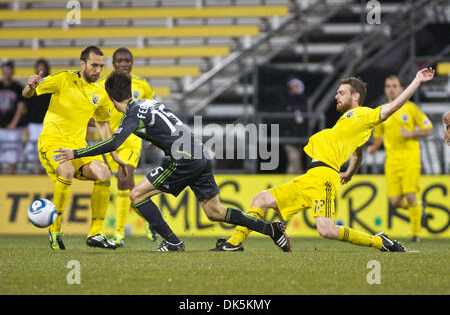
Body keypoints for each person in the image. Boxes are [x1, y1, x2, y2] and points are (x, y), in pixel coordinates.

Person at [55, 71, 291, 252]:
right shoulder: (149, 103)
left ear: (110, 96)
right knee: (215, 212)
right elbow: (168, 126)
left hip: (182, 159)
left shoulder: (132, 116)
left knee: (136, 196)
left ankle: (172, 242)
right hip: (199, 153)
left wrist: (76, 153)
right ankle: (271, 229)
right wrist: (158, 140)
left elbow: (114, 143)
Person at [211, 68, 435, 252]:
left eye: (341, 92)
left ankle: (380, 242)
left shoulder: (363, 114)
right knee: (261, 199)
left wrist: (416, 81)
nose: (336, 96)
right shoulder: (349, 125)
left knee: (326, 230)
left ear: (355, 96)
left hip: (324, 177)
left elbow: (391, 108)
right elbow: (358, 154)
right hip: (312, 175)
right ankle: (234, 243)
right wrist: (349, 173)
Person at [22, 46, 124, 250]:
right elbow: (28, 93)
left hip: (78, 147)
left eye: (101, 66)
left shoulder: (101, 93)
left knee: (104, 172)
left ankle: (95, 233)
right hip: (52, 142)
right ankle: (55, 229)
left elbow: (103, 124)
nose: (98, 70)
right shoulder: (63, 79)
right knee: (66, 169)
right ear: (83, 63)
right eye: (94, 65)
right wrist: (31, 86)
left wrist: (113, 153)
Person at [98, 47, 157, 247]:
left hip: (132, 140)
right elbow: (97, 116)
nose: (124, 63)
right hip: (112, 143)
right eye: (120, 60)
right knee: (129, 188)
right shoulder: (104, 86)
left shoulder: (142, 85)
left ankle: (119, 234)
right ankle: (152, 220)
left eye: (127, 60)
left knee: (124, 180)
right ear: (113, 64)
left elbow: (151, 112)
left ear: (132, 63)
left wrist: (153, 136)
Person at [367, 75, 433, 242]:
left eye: (394, 86)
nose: (391, 89)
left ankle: (416, 234)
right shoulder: (383, 111)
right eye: (388, 86)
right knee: (395, 201)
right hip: (392, 161)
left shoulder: (411, 109)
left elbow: (428, 129)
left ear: (401, 89)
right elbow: (379, 136)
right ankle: (418, 208)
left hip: (410, 159)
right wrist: (373, 148)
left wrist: (411, 133)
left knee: (410, 194)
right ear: (385, 89)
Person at [24, 59, 51, 174]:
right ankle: (36, 172)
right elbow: (26, 101)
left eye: (43, 67)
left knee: (45, 148)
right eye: (39, 67)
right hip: (33, 122)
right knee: (33, 151)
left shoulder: (51, 84)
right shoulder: (31, 85)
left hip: (46, 122)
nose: (41, 70)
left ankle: (46, 171)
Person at [0, 59, 26, 175]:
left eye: (8, 70)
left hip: (13, 128)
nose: (6, 73)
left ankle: (11, 178)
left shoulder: (18, 87)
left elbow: (20, 107)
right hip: (1, 126)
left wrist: (14, 123)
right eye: (4, 70)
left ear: (12, 71)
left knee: (12, 156)